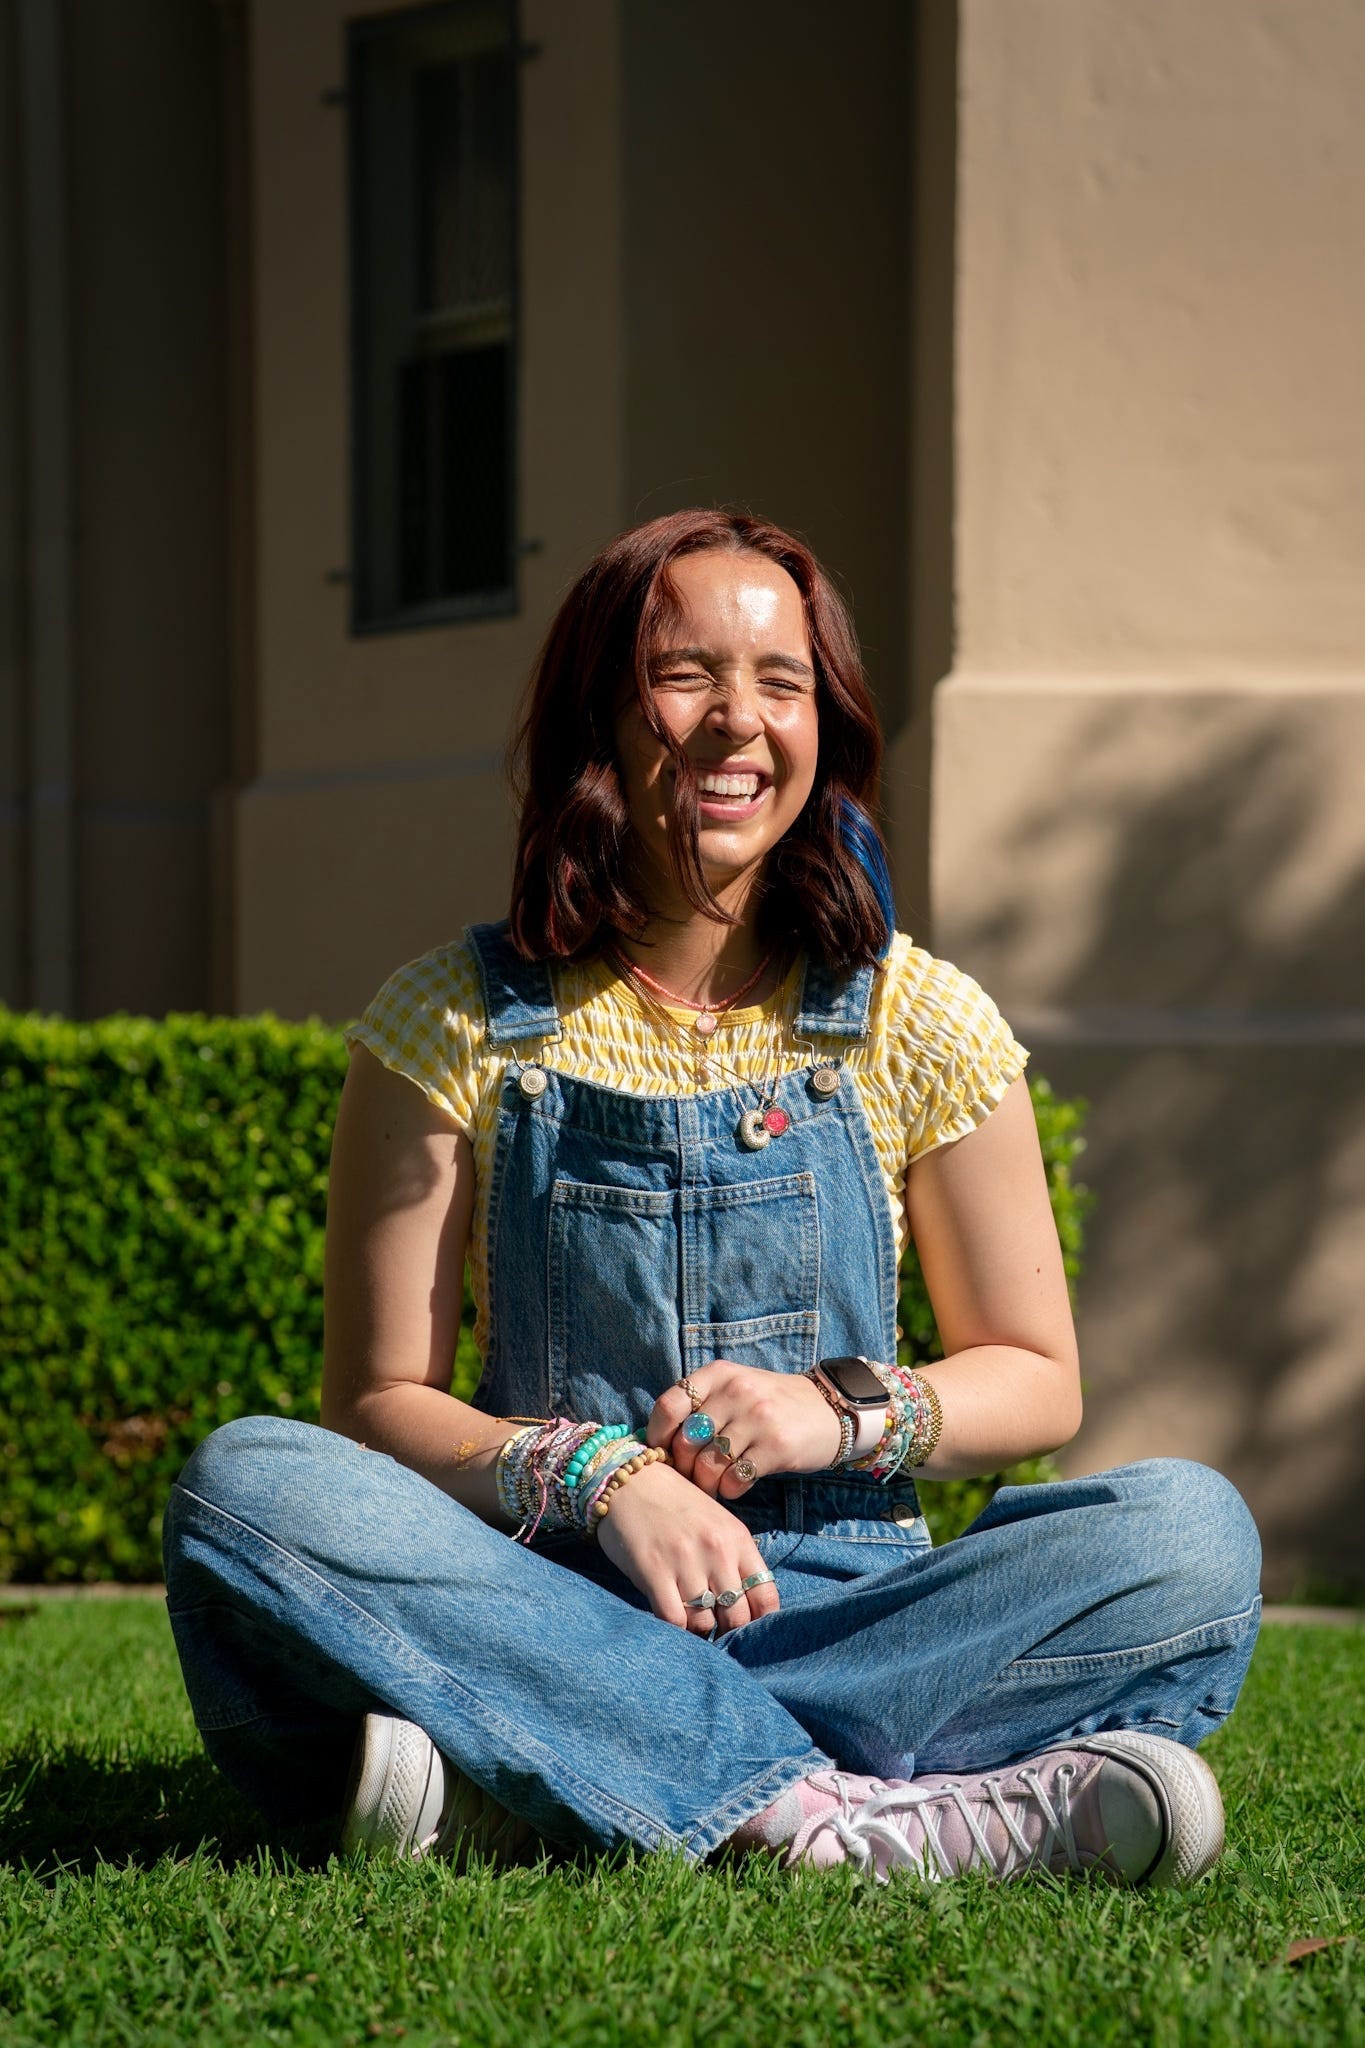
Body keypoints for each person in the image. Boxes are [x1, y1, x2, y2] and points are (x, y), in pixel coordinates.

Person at [163, 509, 1261, 1885]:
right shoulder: (445, 1019)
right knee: (248, 1485)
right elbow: (375, 1403)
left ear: (825, 724)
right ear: (602, 718)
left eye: (781, 683)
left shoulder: (918, 1020)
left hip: (855, 1613)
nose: (738, 721)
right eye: (685, 675)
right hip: (553, 1598)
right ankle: (844, 1817)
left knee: (1186, 1534)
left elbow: (1033, 1383)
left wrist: (837, 1408)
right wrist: (596, 1474)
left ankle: (558, 1777)